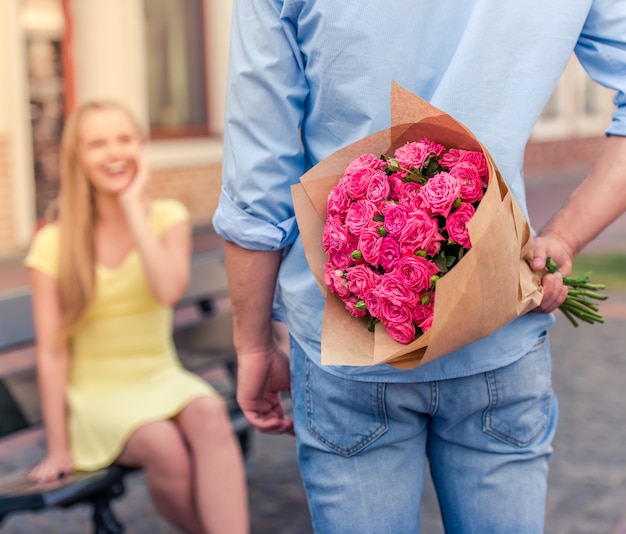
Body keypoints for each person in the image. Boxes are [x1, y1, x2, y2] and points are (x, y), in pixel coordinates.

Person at [213, 2, 626, 533]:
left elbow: (256, 172)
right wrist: (563, 237)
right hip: (496, 323)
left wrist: (252, 343)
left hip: (347, 334)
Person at [25, 101, 249, 534]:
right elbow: (51, 352)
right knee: (163, 444)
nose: (113, 152)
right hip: (97, 398)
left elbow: (167, 290)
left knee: (210, 414)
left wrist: (132, 206)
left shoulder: (167, 218)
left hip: (160, 376)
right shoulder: (54, 242)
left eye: (124, 139)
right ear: (77, 158)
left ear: (140, 147)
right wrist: (57, 447)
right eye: (97, 144)